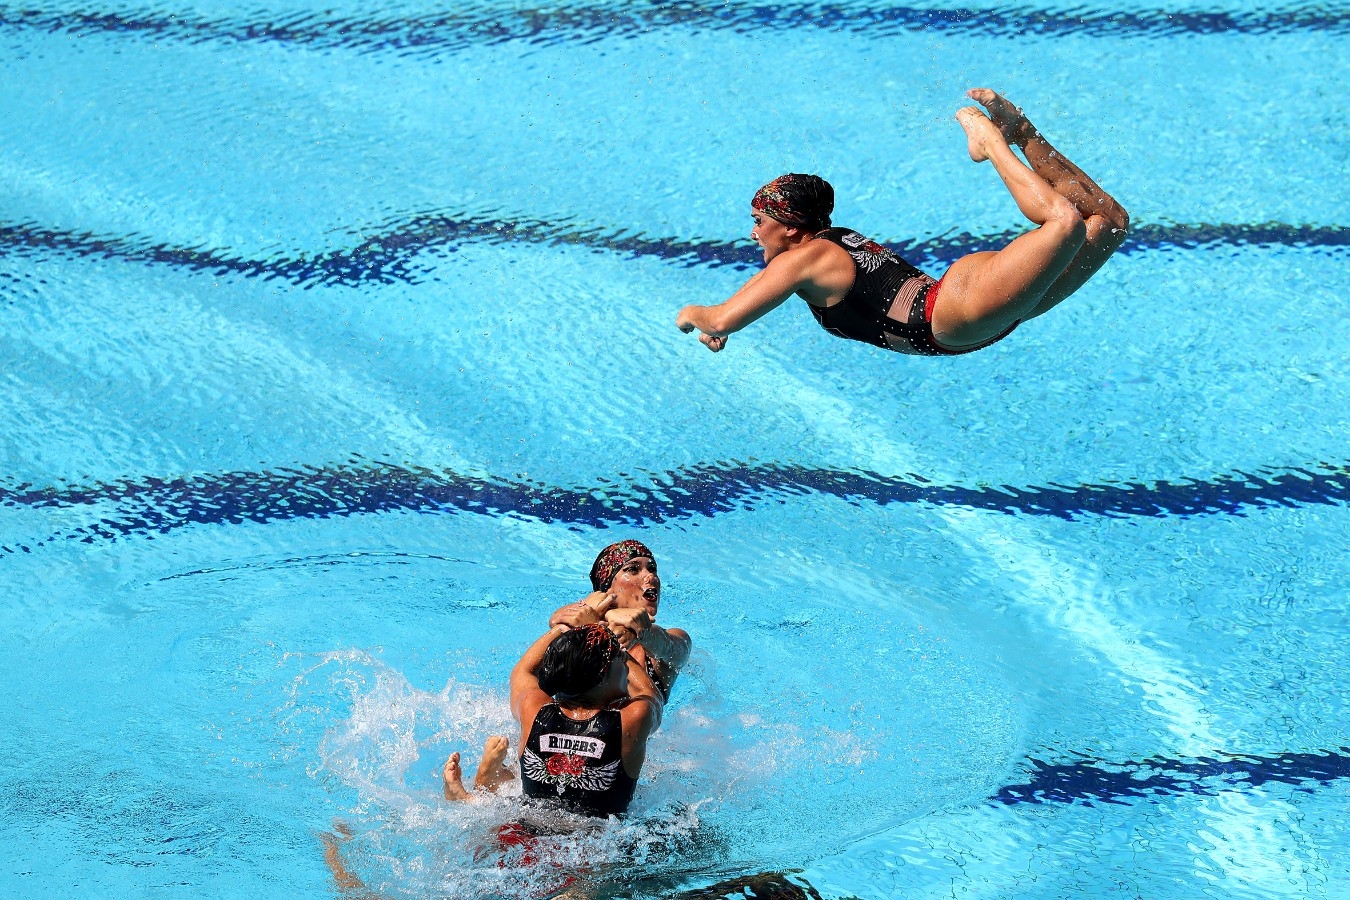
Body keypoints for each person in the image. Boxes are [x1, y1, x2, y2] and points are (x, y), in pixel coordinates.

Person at [675, 89, 1129, 356]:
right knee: (1110, 220)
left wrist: (691, 316)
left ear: (790, 227)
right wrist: (718, 327)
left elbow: (721, 317)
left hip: (959, 311)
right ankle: (1022, 132)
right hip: (980, 309)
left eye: (758, 221)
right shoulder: (826, 245)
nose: (753, 232)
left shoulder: (806, 257)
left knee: (1064, 223)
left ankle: (991, 144)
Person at [444, 623, 664, 819]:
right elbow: (651, 695)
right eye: (618, 658)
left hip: (526, 826)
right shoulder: (631, 718)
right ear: (602, 676)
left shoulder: (534, 709)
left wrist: (562, 628)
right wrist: (626, 651)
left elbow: (523, 671)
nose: (624, 664)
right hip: (593, 843)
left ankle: (472, 800)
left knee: (507, 815)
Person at [548, 540, 692, 702]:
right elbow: (556, 619)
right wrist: (603, 618)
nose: (650, 576)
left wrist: (641, 633)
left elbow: (672, 648)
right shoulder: (576, 632)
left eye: (652, 569)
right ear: (606, 589)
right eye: (633, 569)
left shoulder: (667, 640)